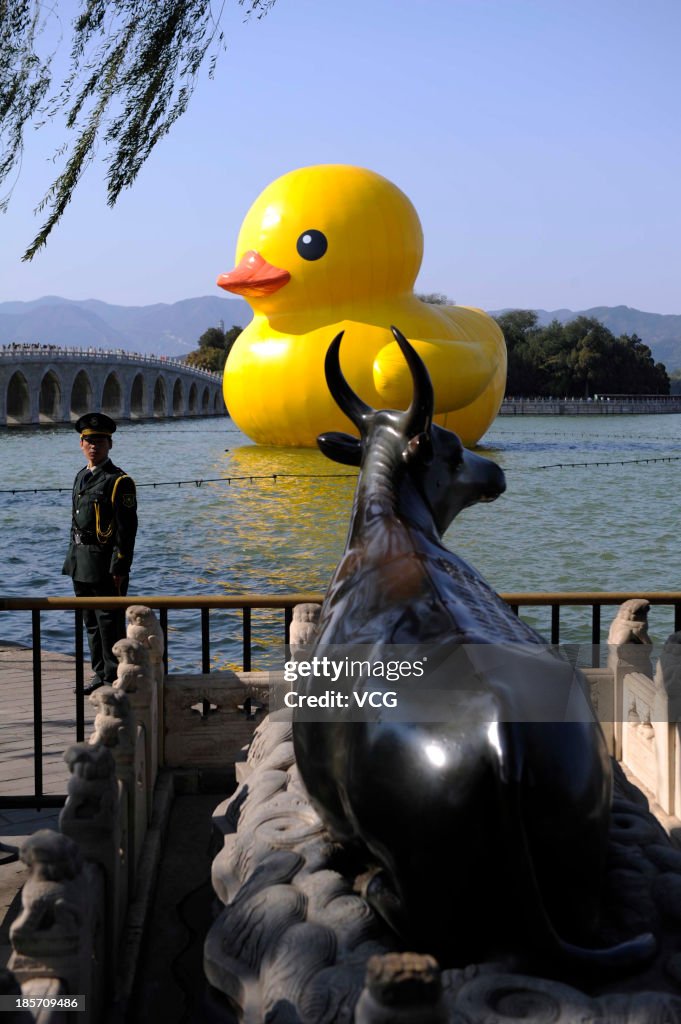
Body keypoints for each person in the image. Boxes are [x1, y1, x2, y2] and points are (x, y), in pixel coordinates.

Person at [62, 413, 138, 694]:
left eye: (100, 441)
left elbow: (127, 530)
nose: (94, 446)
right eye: (89, 441)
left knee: (109, 623)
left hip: (105, 565)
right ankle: (99, 673)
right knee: (91, 623)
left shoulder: (119, 481)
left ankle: (113, 677)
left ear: (110, 444)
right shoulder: (81, 476)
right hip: (80, 562)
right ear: (81, 443)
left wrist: (120, 567)